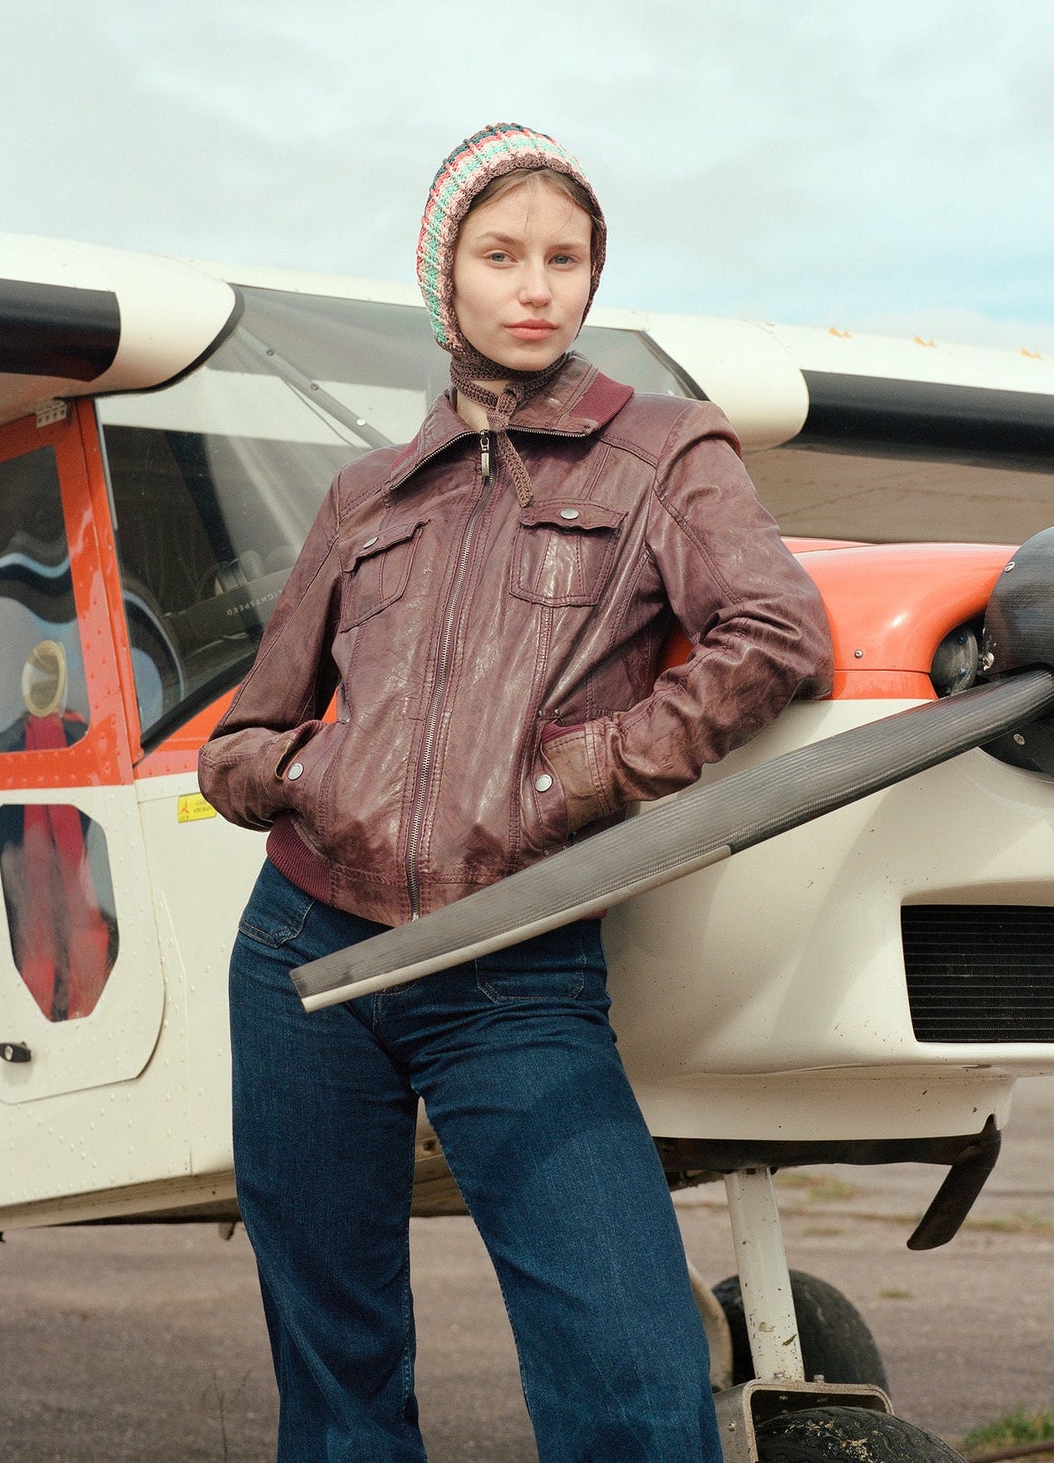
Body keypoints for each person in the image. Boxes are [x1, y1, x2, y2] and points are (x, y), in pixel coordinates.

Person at [198, 123, 834, 1463]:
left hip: (516, 958)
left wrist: (562, 779)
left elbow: (774, 636)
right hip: (304, 954)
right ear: (448, 281)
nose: (536, 286)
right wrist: (313, 769)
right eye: (502, 255)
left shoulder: (665, 450)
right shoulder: (365, 493)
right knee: (336, 1382)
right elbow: (240, 737)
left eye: (565, 256)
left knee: (634, 1379)